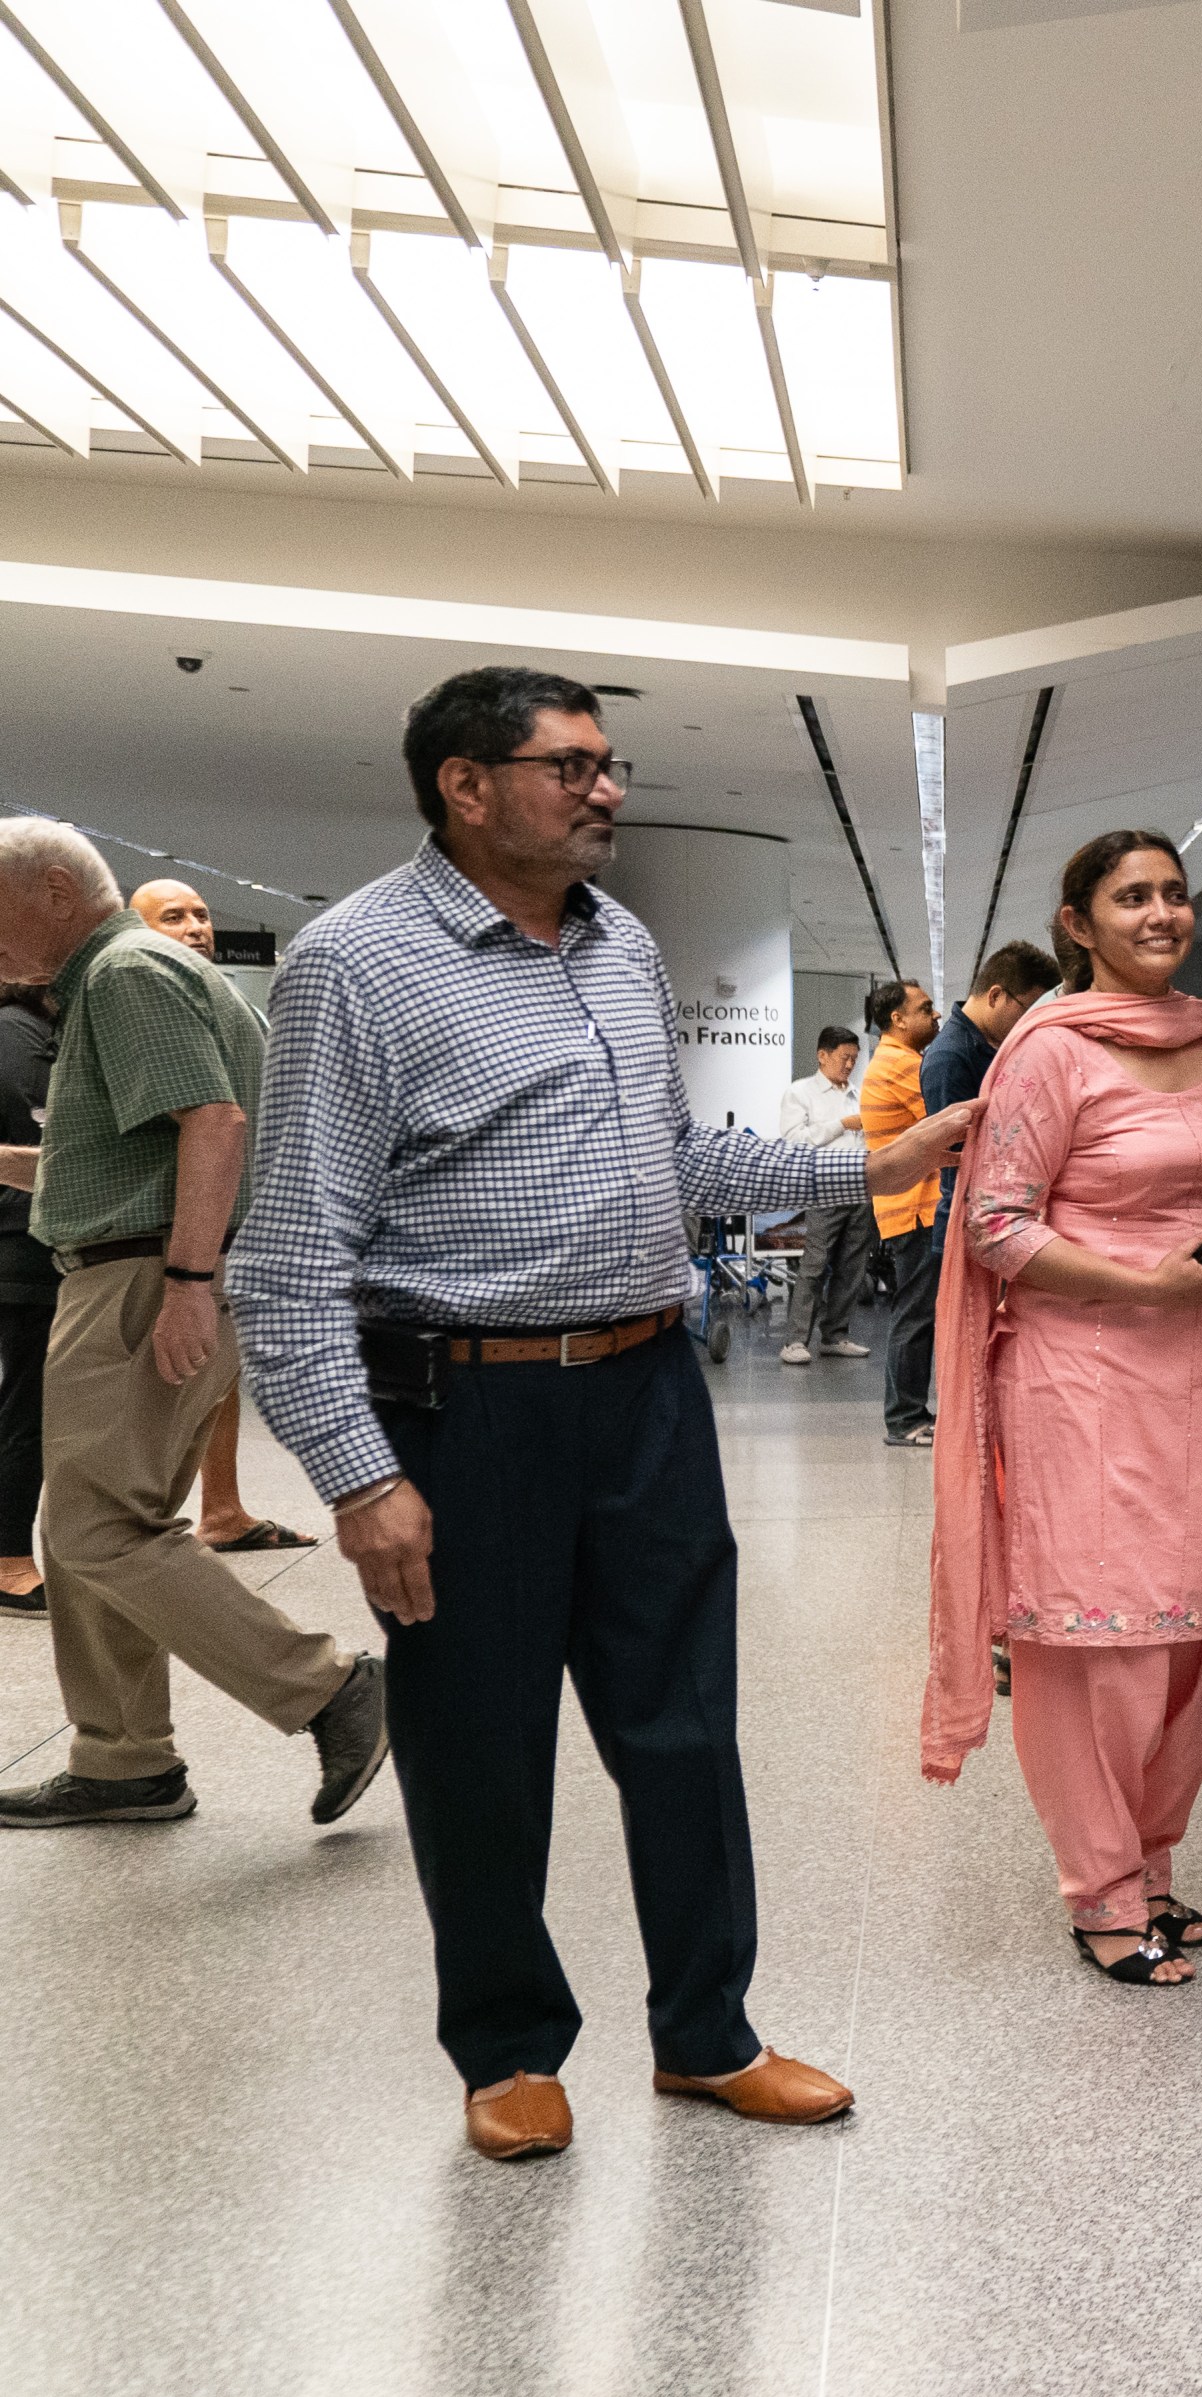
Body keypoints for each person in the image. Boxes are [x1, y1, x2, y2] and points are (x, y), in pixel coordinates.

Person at [232, 667, 975, 2160]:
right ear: (464, 783)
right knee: (480, 1742)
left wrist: (879, 1167)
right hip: (467, 1407)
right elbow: (291, 1256)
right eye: (570, 766)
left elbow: (678, 1163)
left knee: (686, 1727)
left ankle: (708, 2032)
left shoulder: (620, 945)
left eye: (607, 763)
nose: (608, 789)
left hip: (646, 1393)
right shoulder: (353, 969)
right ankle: (507, 2046)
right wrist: (362, 1480)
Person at [921, 831, 1202, 1989]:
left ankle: (1153, 1863)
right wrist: (1140, 1280)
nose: (1161, 914)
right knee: (1093, 1635)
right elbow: (995, 1224)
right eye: (1131, 897)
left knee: (1192, 1632)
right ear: (1078, 923)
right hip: (1080, 1375)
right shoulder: (1046, 1054)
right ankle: (1101, 1885)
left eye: (1172, 893)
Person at [0, 828, 383, 1832]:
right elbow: (119, 1166)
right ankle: (124, 1759)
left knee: (93, 1530)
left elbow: (214, 1126)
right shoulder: (130, 978)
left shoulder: (126, 970)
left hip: (139, 1278)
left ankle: (330, 1687)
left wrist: (185, 1284)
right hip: (141, 1261)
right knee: (99, 1526)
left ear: (49, 890)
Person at [123, 876, 308, 1551]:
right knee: (173, 1382)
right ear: (136, 927)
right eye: (174, 917)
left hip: (234, 1221)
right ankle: (148, 1527)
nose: (197, 927)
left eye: (200, 915)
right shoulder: (143, 996)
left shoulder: (217, 995)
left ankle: (222, 1507)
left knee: (218, 1374)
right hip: (177, 1231)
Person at [861, 975, 943, 1447]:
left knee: (915, 1312)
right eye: (925, 1008)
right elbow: (942, 1118)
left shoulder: (899, 1060)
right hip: (914, 1207)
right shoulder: (900, 1063)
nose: (934, 1015)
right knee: (914, 1314)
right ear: (898, 1019)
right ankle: (905, 1418)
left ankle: (910, 1411)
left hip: (909, 1205)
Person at [775, 1027, 874, 1366]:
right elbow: (793, 1140)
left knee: (852, 1266)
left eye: (854, 1059)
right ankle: (794, 1341)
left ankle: (835, 1335)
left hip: (861, 1185)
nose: (849, 1065)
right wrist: (841, 1124)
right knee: (814, 1265)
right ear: (822, 1055)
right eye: (844, 1058)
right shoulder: (801, 1092)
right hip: (825, 1187)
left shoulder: (859, 1093)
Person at [0, 982, 53, 1613]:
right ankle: (9, 1555)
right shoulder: (17, 1027)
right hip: (25, 1236)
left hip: (38, 1233)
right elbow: (37, 1124)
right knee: (27, 1404)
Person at [923, 939, 1063, 1113]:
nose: (1033, 1023)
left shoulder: (989, 1042)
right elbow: (956, 1139)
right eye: (1029, 1011)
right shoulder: (948, 1060)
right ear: (995, 996)